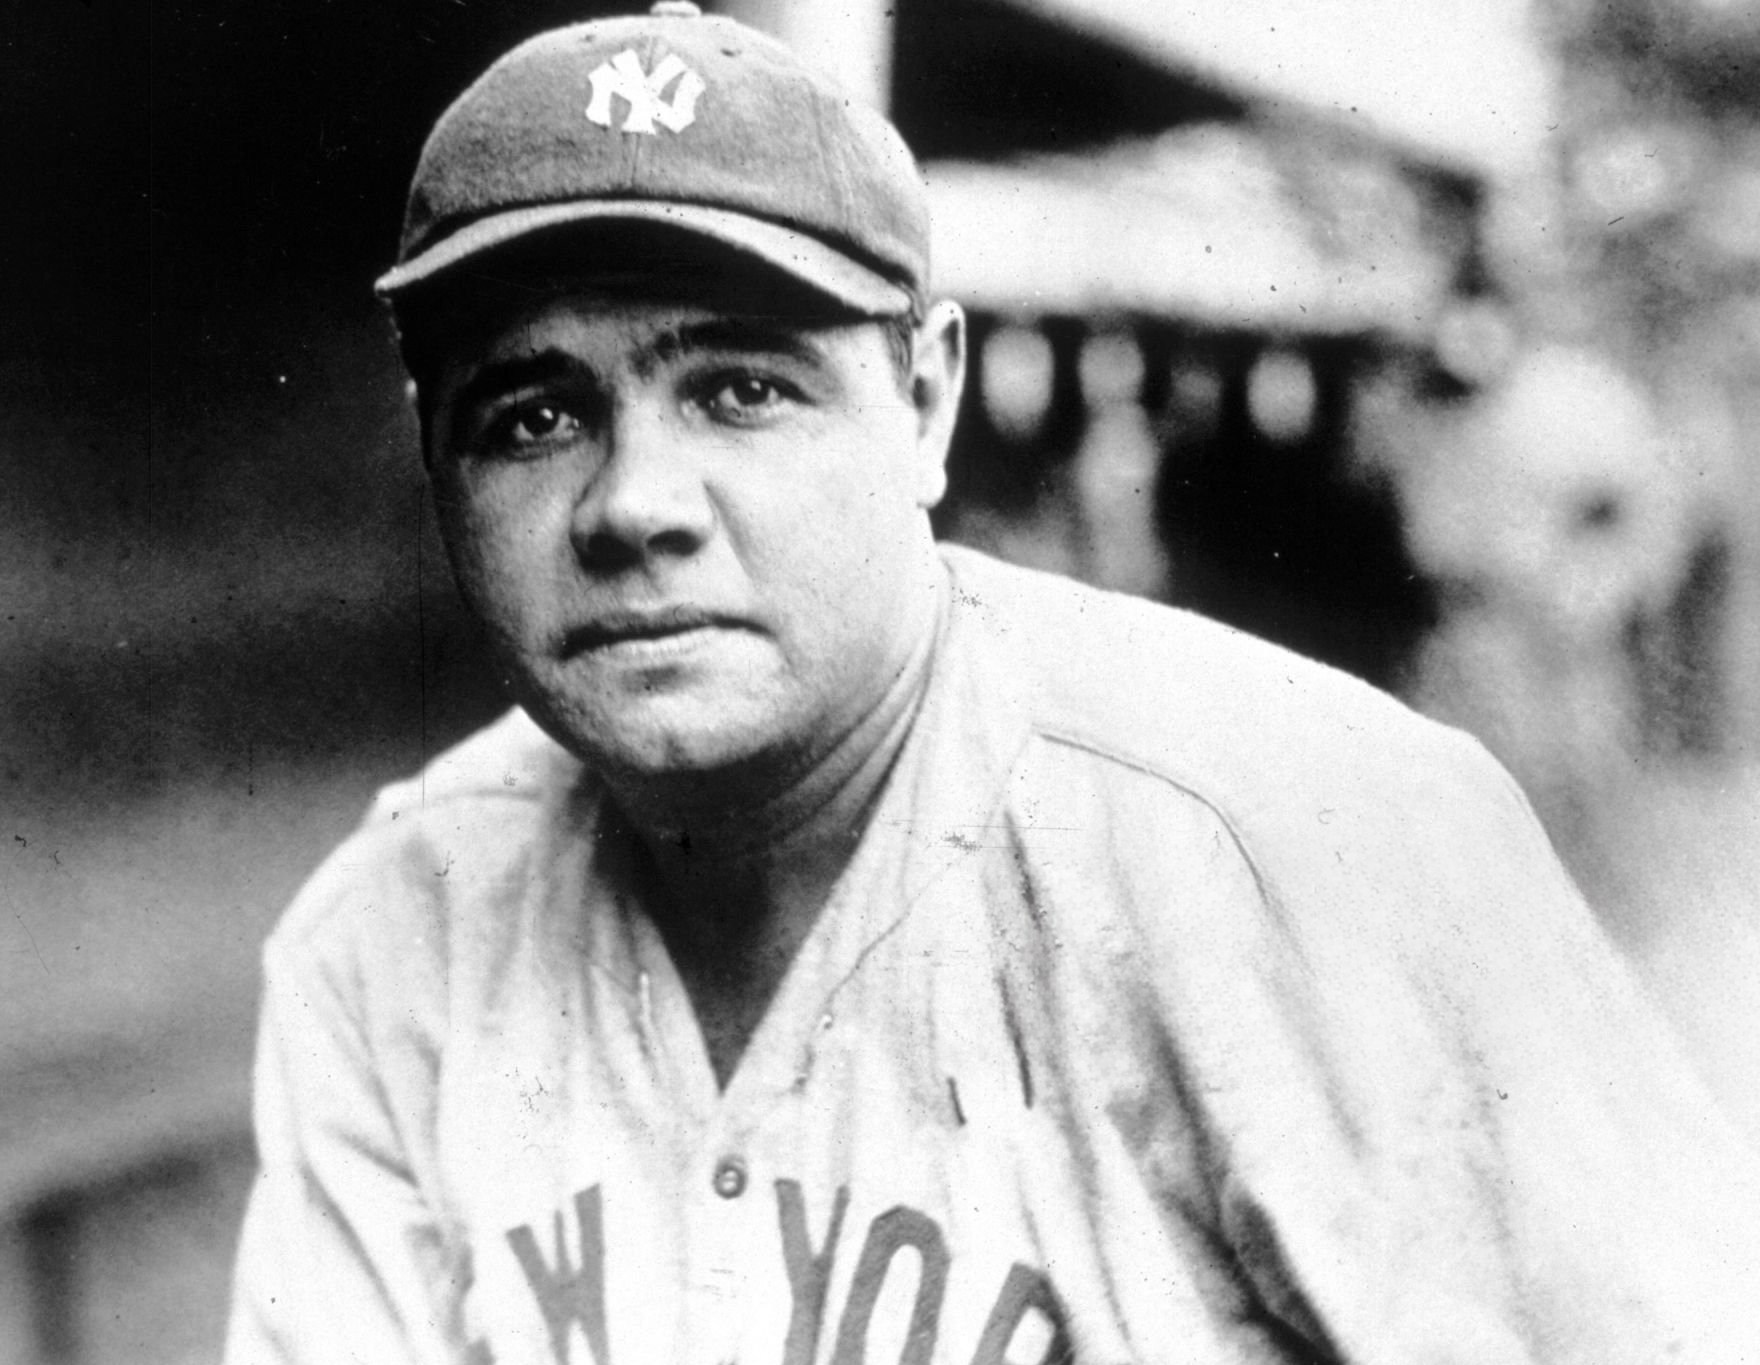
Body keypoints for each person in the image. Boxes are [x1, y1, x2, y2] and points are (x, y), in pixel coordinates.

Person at [224, 7, 1760, 1362]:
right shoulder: (390, 939)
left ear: (925, 403)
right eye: (532, 416)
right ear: (436, 464)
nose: (636, 503)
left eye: (742, 388)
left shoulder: (1302, 845)